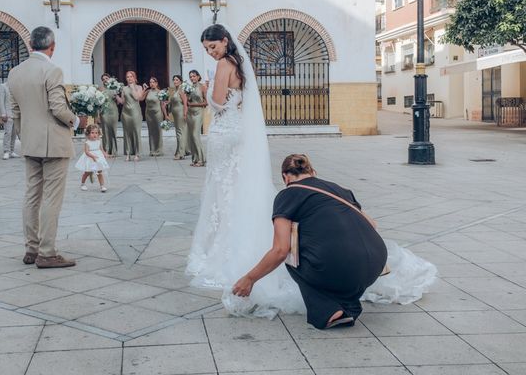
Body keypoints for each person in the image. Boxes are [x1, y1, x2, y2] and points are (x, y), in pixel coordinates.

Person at [186, 24, 437, 320]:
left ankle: (229, 249)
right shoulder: (238, 64)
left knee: (225, 193)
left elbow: (216, 103)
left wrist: (205, 88)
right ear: (311, 171)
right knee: (233, 190)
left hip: (225, 134)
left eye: (212, 47)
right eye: (207, 49)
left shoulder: (222, 64)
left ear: (224, 41)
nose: (210, 52)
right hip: (237, 133)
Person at [232, 154, 388, 329]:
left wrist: (250, 278)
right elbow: (372, 224)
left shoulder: (287, 194)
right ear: (313, 172)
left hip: (344, 264)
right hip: (377, 261)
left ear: (285, 177)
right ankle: (347, 304)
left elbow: (280, 250)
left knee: (292, 257)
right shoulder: (339, 188)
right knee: (329, 254)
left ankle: (329, 312)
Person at [7, 26, 78, 269]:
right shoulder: (52, 70)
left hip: (30, 142)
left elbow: (15, 112)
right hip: (54, 143)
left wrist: (24, 135)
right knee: (51, 198)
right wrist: (76, 120)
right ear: (52, 46)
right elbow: (58, 108)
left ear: (30, 45)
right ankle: (47, 252)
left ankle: (31, 248)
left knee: (31, 195)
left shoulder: (15, 72)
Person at [116, 70, 143, 161]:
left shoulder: (139, 87)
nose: (129, 78)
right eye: (127, 77)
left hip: (135, 112)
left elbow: (137, 98)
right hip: (126, 113)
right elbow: (123, 101)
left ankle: (137, 153)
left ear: (134, 78)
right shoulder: (124, 88)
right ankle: (128, 153)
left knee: (136, 132)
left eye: (131, 76)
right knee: (126, 133)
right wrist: (116, 95)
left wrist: (132, 88)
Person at [75, 124, 109, 192]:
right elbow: (86, 152)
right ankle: (83, 184)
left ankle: (102, 186)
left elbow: (101, 149)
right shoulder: (87, 143)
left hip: (98, 158)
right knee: (87, 172)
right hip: (90, 158)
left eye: (96, 133)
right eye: (92, 133)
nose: (94, 135)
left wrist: (105, 154)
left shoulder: (98, 141)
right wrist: (92, 156)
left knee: (99, 172)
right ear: (88, 133)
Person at [163, 75, 188, 160]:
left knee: (180, 132)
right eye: (174, 80)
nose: (175, 81)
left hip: (180, 112)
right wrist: (166, 102)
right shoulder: (174, 91)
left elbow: (185, 103)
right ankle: (179, 151)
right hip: (175, 113)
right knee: (178, 132)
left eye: (177, 80)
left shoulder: (181, 90)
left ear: (180, 81)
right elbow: (171, 101)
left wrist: (185, 113)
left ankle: (181, 153)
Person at [186, 70, 207, 167]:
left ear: (198, 77)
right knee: (191, 136)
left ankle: (201, 160)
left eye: (194, 76)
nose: (192, 78)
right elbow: (186, 101)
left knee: (195, 135)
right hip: (190, 113)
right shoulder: (189, 88)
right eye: (190, 76)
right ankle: (195, 159)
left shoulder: (202, 87)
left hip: (198, 112)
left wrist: (193, 104)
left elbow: (206, 102)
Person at [0, 79, 19, 160]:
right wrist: (3, 114)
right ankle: (6, 151)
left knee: (14, 133)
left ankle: (12, 151)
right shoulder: (3, 86)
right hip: (7, 114)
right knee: (8, 132)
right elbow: (1, 102)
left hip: (15, 114)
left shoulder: (16, 87)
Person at [99, 73, 119, 157]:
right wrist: (97, 115)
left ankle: (114, 150)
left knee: (113, 130)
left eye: (106, 78)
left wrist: (116, 97)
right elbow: (98, 103)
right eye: (103, 79)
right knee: (105, 131)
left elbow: (118, 102)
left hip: (113, 111)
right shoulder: (100, 89)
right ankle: (106, 150)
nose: (105, 80)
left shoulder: (114, 88)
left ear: (109, 79)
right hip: (104, 112)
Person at [143, 77, 164, 156]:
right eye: (150, 82)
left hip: (157, 113)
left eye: (153, 82)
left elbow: (162, 104)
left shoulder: (160, 92)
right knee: (151, 131)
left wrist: (166, 115)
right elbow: (140, 98)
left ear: (156, 83)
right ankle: (152, 150)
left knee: (158, 131)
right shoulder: (148, 92)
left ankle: (159, 150)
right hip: (149, 113)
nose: (151, 84)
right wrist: (144, 89)